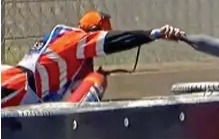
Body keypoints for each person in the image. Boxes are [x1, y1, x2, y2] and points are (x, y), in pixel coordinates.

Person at [1, 10, 186, 108]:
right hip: (20, 88)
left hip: (17, 81)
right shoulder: (77, 40)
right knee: (97, 80)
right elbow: (116, 41)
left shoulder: (63, 39)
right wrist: (154, 34)